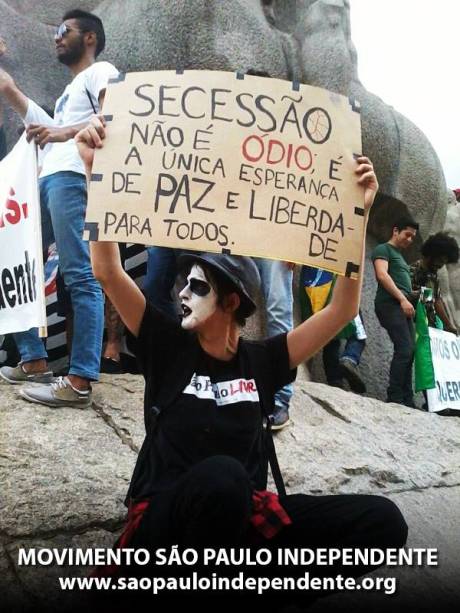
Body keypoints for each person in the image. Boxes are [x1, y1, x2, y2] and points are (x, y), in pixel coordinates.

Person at [70, 117, 407, 610]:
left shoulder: (265, 360)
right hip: (168, 527)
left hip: (243, 531)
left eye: (199, 285)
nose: (183, 293)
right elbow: (107, 269)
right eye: (183, 283)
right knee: (225, 477)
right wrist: (95, 175)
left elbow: (341, 310)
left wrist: (356, 215)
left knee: (382, 521)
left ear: (233, 302)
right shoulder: (166, 344)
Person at [0, 10, 118, 406]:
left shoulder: (102, 71)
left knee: (81, 276)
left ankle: (81, 379)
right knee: (18, 262)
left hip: (72, 181)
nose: (56, 37)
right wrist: (42, 124)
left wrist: (62, 131)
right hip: (51, 182)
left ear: (90, 37)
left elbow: (116, 118)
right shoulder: (71, 92)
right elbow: (55, 128)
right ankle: (33, 359)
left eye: (64, 30)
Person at [372, 216, 419, 407]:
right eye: (407, 235)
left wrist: (413, 295)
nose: (409, 240)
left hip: (402, 305)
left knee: (410, 350)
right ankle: (395, 397)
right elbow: (382, 275)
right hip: (390, 304)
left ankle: (407, 399)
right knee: (405, 348)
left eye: (413, 237)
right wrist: (402, 299)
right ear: (395, 231)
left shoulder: (400, 256)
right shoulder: (383, 249)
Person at [300, 266, 367, 393]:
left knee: (331, 338)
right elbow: (352, 265)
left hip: (315, 288)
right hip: (338, 286)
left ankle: (335, 381)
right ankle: (349, 359)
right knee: (359, 335)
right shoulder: (350, 247)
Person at [410, 232, 459, 333]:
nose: (441, 265)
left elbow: (437, 300)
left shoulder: (433, 276)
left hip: (430, 327)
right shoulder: (411, 271)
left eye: (444, 263)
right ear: (430, 255)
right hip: (413, 325)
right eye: (440, 260)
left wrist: (448, 325)